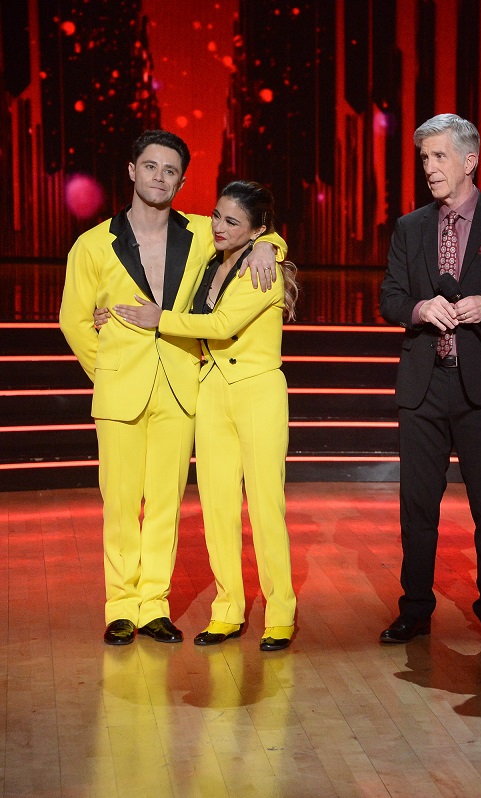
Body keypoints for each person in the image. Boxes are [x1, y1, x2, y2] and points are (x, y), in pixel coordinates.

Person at [59, 130, 284, 646]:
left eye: (171, 171)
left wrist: (270, 247)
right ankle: (120, 604)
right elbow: (73, 320)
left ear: (182, 180)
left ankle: (153, 603)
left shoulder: (202, 233)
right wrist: (108, 370)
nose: (160, 177)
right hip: (120, 389)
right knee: (119, 502)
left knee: (165, 503)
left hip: (183, 386)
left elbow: (254, 227)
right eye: (151, 167)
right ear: (132, 171)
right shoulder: (93, 243)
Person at [378, 114, 481, 647]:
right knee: (418, 505)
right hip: (424, 385)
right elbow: (390, 299)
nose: (429, 168)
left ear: (470, 161)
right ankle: (415, 609)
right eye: (424, 158)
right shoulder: (410, 227)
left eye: (439, 156)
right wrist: (420, 308)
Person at [109, 181, 299, 652]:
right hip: (210, 392)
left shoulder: (265, 269)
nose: (217, 226)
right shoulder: (210, 259)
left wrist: (160, 319)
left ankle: (281, 613)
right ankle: (228, 609)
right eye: (216, 215)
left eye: (232, 221)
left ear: (257, 230)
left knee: (265, 507)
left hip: (257, 393)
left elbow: (220, 326)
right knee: (216, 509)